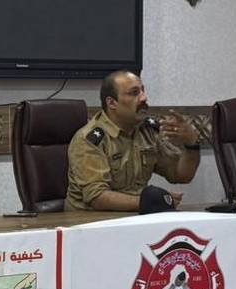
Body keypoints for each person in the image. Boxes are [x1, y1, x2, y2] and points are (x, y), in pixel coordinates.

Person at [66, 70, 201, 211]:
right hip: (90, 219)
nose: (144, 98)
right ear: (112, 103)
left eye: (143, 91)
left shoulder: (147, 130)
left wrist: (191, 144)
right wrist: (152, 202)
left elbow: (181, 175)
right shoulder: (89, 140)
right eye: (134, 93)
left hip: (135, 214)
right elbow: (97, 198)